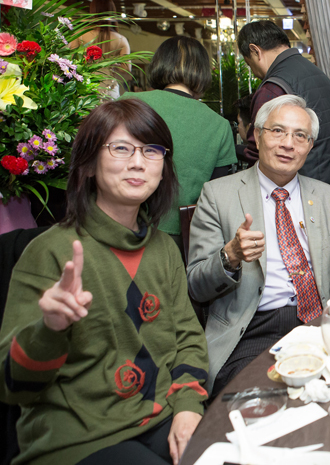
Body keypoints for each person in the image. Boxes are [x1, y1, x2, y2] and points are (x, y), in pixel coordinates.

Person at [0, 99, 208, 465]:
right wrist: (49, 329)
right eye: (121, 148)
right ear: (88, 164)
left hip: (160, 417)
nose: (138, 162)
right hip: (79, 437)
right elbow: (12, 387)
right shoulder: (50, 252)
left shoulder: (164, 248)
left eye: (152, 150)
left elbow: (188, 339)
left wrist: (189, 406)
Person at [187, 94, 330, 396]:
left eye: (300, 136)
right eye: (278, 131)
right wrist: (230, 256)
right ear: (257, 134)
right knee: (258, 403)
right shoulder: (218, 195)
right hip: (251, 330)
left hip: (317, 323)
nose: (288, 144)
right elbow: (196, 286)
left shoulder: (328, 198)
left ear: (310, 146)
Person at [120, 36, 237, 251]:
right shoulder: (220, 125)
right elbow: (218, 192)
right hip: (182, 238)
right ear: (203, 72)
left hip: (123, 225)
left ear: (158, 64)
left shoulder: (128, 103)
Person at [237, 21, 330, 193]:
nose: (253, 71)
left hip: (301, 191)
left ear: (255, 51)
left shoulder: (273, 88)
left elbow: (258, 153)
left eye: (248, 63)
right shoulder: (317, 73)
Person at [74, 0, 131, 100]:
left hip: (86, 88)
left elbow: (70, 60)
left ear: (93, 11)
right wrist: (111, 62)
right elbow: (127, 69)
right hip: (109, 89)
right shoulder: (121, 39)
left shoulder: (80, 35)